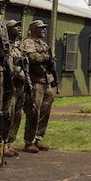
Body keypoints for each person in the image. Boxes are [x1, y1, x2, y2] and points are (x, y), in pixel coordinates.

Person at [21, 19, 55, 153]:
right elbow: (32, 57)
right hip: (35, 82)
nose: (44, 30)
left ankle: (37, 138)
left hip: (46, 81)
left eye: (44, 28)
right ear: (33, 29)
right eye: (41, 28)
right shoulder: (28, 42)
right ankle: (29, 141)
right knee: (33, 111)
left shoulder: (43, 44)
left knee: (45, 111)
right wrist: (46, 58)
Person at [2, 19, 26, 157]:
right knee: (8, 114)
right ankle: (2, 143)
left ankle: (9, 142)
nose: (18, 28)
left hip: (20, 85)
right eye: (14, 26)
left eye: (19, 26)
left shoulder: (19, 46)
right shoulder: (6, 45)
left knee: (17, 114)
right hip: (10, 85)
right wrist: (17, 71)